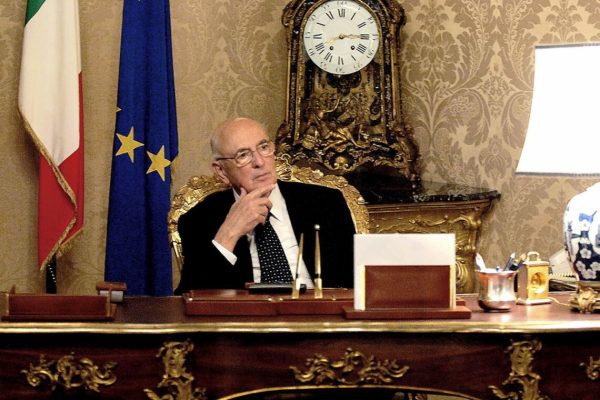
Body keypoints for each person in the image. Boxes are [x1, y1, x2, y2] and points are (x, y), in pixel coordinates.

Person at [174, 117, 356, 294]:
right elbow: (191, 296)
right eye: (243, 155)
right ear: (221, 171)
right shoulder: (198, 220)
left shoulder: (326, 203)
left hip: (319, 317)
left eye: (264, 147)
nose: (259, 162)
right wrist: (230, 232)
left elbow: (356, 281)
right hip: (247, 321)